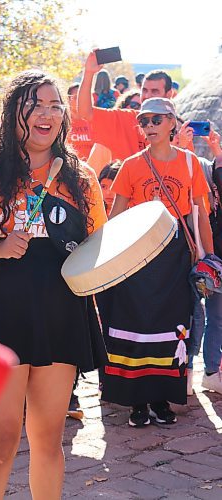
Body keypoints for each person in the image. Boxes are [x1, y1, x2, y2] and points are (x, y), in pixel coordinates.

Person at [0, 70, 107, 499]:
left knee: (49, 439)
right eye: (36, 105)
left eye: (55, 106)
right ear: (14, 111)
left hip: (59, 311)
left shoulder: (80, 177)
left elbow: (97, 247)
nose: (47, 115)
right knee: (1, 441)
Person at [96, 98, 213, 427]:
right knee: (135, 327)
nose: (149, 126)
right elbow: (116, 215)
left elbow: (201, 215)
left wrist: (209, 259)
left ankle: (161, 399)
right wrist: (103, 257)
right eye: (143, 120)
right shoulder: (131, 164)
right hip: (137, 258)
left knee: (170, 328)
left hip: (175, 258)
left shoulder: (190, 164)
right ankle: (136, 403)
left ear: (172, 122)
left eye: (156, 119)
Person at [78, 51, 174, 160]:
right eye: (145, 90)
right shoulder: (126, 117)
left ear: (169, 94)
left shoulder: (178, 128)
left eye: (155, 91)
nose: (147, 96)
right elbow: (85, 112)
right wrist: (89, 73)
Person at [187, 128, 222, 395]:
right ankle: (188, 371)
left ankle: (210, 371)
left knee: (215, 316)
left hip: (215, 260)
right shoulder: (185, 165)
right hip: (189, 256)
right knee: (194, 316)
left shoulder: (213, 178)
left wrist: (218, 155)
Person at [67, 83, 94, 161]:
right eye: (76, 97)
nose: (80, 101)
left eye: (83, 97)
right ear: (68, 99)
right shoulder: (62, 122)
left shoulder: (94, 121)